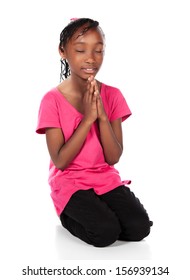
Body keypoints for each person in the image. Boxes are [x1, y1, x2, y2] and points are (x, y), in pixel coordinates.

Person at [36, 18, 153, 247]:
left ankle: (99, 208)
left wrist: (101, 116)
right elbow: (60, 161)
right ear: (63, 51)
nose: (91, 58)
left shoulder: (113, 95)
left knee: (139, 228)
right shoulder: (52, 100)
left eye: (98, 50)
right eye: (80, 50)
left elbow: (113, 157)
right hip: (70, 181)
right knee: (105, 234)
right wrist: (88, 118)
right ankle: (66, 214)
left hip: (104, 178)